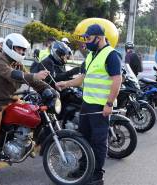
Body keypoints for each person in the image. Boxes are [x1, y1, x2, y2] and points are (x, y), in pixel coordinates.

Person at [0, 33, 51, 185]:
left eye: (23, 50)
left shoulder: (16, 63)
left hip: (10, 99)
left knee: (33, 113)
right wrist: (35, 75)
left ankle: (27, 143)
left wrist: (50, 89)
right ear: (10, 47)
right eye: (18, 49)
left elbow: (29, 78)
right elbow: (13, 75)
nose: (21, 53)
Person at [56, 24, 122, 185]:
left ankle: (97, 175)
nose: (86, 41)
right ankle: (85, 167)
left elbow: (117, 81)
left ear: (99, 38)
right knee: (84, 138)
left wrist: (109, 104)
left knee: (98, 142)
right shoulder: (91, 55)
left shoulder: (111, 55)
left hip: (100, 107)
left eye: (88, 38)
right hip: (87, 104)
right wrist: (66, 83)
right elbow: (82, 78)